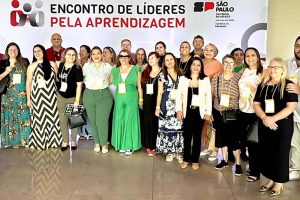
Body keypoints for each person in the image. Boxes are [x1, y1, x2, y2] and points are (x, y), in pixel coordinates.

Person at [253, 57, 297, 196]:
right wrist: (265, 118)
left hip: (282, 126)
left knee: (280, 153)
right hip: (265, 124)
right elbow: (256, 104)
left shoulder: (289, 85)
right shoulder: (263, 84)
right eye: (271, 67)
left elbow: (291, 107)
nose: (273, 69)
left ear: (283, 69)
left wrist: (273, 119)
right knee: (267, 153)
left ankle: (279, 183)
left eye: (277, 67)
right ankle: (271, 179)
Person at [176, 57, 212, 170]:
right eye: (193, 65)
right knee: (186, 136)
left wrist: (207, 112)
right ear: (190, 66)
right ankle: (186, 159)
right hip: (187, 112)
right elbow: (179, 96)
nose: (196, 67)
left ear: (201, 67)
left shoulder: (205, 80)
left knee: (197, 137)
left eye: (198, 65)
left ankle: (195, 160)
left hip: (199, 112)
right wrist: (179, 110)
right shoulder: (183, 79)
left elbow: (208, 97)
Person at [211, 54, 243, 176]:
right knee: (222, 138)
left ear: (234, 65)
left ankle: (238, 163)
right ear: (222, 64)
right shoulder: (216, 78)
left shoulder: (238, 78)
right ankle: (224, 160)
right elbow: (211, 94)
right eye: (225, 62)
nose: (228, 65)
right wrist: (209, 112)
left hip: (233, 113)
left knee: (235, 140)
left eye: (231, 63)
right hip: (218, 112)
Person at [26, 44, 62, 150]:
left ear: (43, 52)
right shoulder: (31, 66)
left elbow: (57, 81)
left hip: (52, 97)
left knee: (54, 119)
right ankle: (41, 142)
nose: (37, 53)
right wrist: (29, 99)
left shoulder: (52, 64)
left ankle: (55, 141)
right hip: (37, 97)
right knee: (39, 120)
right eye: (35, 51)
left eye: (39, 51)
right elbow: (28, 84)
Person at [238, 47, 265, 181]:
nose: (250, 58)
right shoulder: (244, 71)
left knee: (254, 142)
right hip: (243, 110)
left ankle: (255, 171)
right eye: (247, 56)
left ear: (258, 57)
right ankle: (252, 165)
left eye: (253, 55)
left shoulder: (263, 72)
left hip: (256, 111)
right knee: (246, 141)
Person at [110, 49, 142, 155]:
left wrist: (141, 99)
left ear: (129, 58)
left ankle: (128, 145)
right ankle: (120, 144)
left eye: (126, 56)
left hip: (132, 96)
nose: (123, 59)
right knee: (119, 118)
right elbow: (109, 83)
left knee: (129, 119)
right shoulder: (114, 70)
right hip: (119, 96)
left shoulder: (136, 69)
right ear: (119, 58)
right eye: (121, 56)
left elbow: (140, 86)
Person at [0, 42, 31, 148]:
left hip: (22, 94)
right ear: (7, 52)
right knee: (10, 117)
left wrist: (28, 93)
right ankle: (12, 142)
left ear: (18, 51)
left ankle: (25, 141)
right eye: (10, 50)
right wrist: (6, 72)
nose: (13, 51)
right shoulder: (3, 63)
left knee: (24, 117)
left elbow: (29, 78)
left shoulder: (24, 61)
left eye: (15, 49)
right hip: (7, 95)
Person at [83, 46, 113, 153]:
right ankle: (96, 142)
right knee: (93, 121)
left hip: (103, 95)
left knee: (102, 121)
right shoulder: (86, 66)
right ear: (91, 55)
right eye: (93, 53)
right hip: (89, 95)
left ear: (101, 55)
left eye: (98, 53)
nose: (96, 56)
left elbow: (111, 81)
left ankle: (104, 143)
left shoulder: (108, 67)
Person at [155, 52, 184, 162]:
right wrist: (158, 107)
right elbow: (159, 92)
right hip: (166, 105)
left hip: (179, 105)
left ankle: (179, 152)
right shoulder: (162, 75)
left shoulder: (181, 74)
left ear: (174, 60)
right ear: (164, 63)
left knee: (179, 127)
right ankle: (170, 152)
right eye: (167, 60)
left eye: (171, 59)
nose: (169, 61)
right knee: (168, 128)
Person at [200, 43, 223, 162]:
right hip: (199, 98)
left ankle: (214, 149)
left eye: (211, 50)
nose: (208, 52)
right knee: (204, 124)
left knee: (212, 124)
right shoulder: (200, 61)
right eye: (206, 50)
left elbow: (219, 83)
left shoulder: (218, 65)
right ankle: (206, 147)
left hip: (211, 98)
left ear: (215, 53)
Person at [57, 47, 83, 151]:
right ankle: (65, 141)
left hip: (73, 98)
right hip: (61, 97)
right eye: (69, 54)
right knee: (63, 121)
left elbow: (79, 85)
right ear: (65, 55)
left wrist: (77, 100)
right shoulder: (61, 65)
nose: (71, 56)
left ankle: (73, 140)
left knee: (74, 120)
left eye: (73, 55)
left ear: (75, 56)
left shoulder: (77, 68)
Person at [141, 52, 161, 156]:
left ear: (158, 59)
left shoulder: (162, 72)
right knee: (147, 122)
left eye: (153, 58)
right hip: (146, 101)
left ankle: (154, 146)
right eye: (149, 58)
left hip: (157, 101)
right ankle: (147, 144)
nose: (150, 60)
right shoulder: (146, 71)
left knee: (155, 123)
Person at [286, 36, 300, 181]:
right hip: (292, 112)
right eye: (297, 45)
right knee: (294, 143)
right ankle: (295, 169)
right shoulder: (288, 62)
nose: (299, 49)